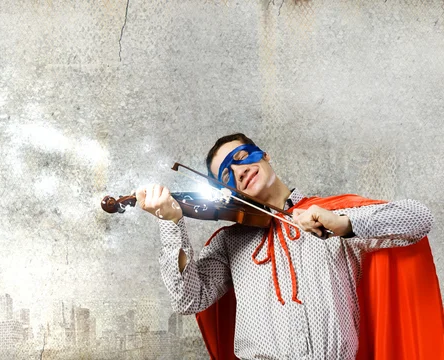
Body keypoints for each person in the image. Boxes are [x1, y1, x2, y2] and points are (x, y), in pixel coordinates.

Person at [135, 133, 443, 360]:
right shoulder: (230, 242)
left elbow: (419, 218)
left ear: (264, 155)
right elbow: (189, 299)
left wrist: (343, 224)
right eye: (227, 175)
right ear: (225, 191)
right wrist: (170, 222)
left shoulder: (332, 214)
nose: (239, 171)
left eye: (241, 157)